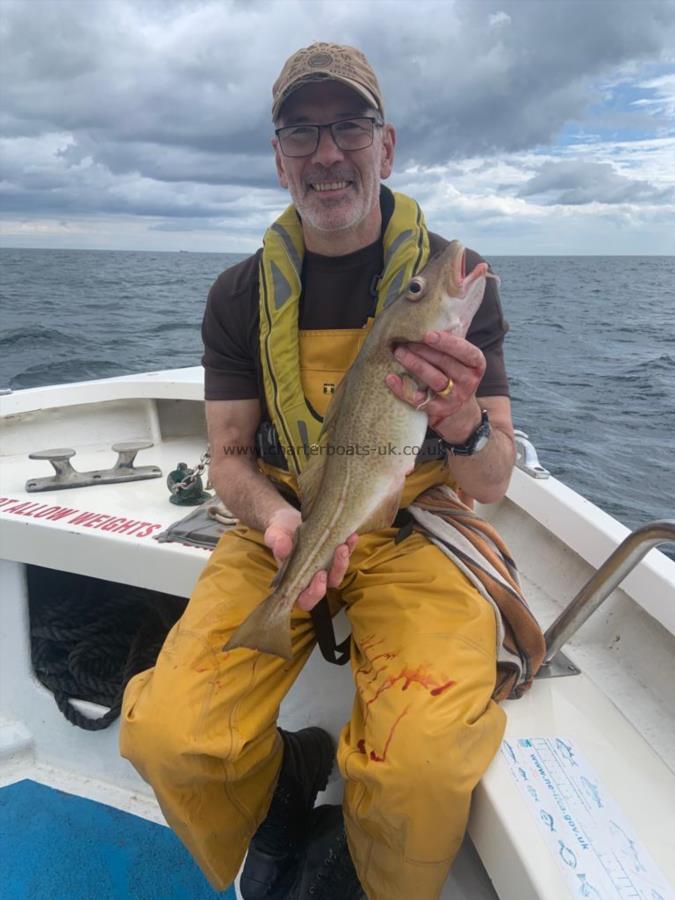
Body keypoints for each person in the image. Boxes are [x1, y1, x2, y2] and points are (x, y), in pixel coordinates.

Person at [120, 42, 519, 899]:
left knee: (417, 768)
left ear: (387, 146)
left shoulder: (448, 279)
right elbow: (228, 459)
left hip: (417, 531)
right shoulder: (237, 295)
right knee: (167, 734)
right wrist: (275, 517)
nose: (327, 153)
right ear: (276, 159)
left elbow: (491, 484)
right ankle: (282, 788)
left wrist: (457, 421)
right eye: (300, 133)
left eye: (348, 126)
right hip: (290, 522)